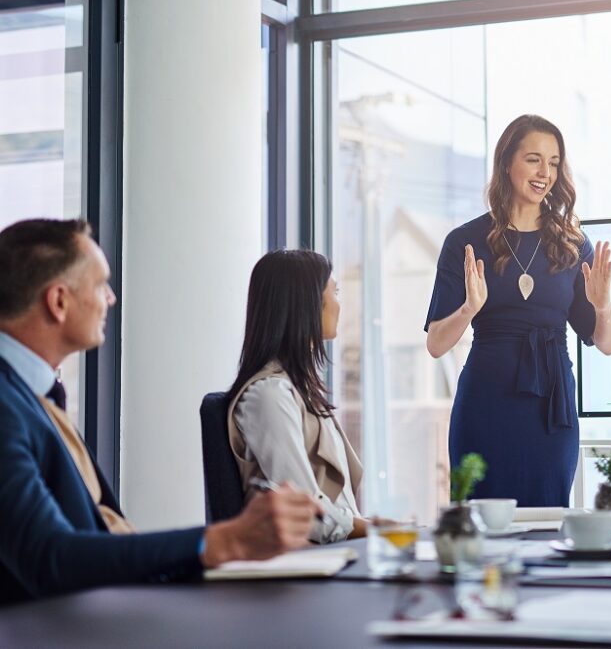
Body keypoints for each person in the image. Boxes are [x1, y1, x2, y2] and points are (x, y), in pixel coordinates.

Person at [0, 219, 322, 604]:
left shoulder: (30, 393)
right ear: (58, 301)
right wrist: (224, 540)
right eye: (100, 284)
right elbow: (48, 558)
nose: (111, 298)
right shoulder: (7, 403)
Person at [425, 114, 611, 507]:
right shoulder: (465, 241)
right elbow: (435, 344)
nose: (544, 172)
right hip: (485, 406)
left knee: (547, 526)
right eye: (533, 159)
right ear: (507, 162)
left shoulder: (572, 244)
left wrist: (603, 308)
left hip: (550, 411)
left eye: (553, 162)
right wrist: (468, 308)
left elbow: (607, 343)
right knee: (480, 529)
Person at [227, 249, 367, 542]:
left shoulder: (300, 392)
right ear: (307, 304)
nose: (340, 305)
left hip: (336, 553)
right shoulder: (269, 396)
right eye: (336, 292)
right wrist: (380, 529)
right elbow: (306, 514)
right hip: (308, 567)